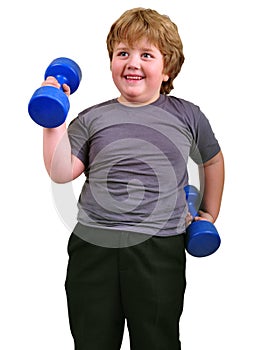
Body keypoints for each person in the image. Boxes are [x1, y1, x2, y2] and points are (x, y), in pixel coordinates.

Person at [42, 7, 224, 350]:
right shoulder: (91, 118)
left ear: (167, 67)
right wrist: (55, 119)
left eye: (146, 54)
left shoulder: (188, 115)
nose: (132, 62)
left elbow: (212, 161)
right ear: (111, 61)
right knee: (92, 340)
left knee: (157, 341)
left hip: (159, 247)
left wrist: (209, 213)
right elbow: (60, 170)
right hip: (95, 244)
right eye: (122, 53)